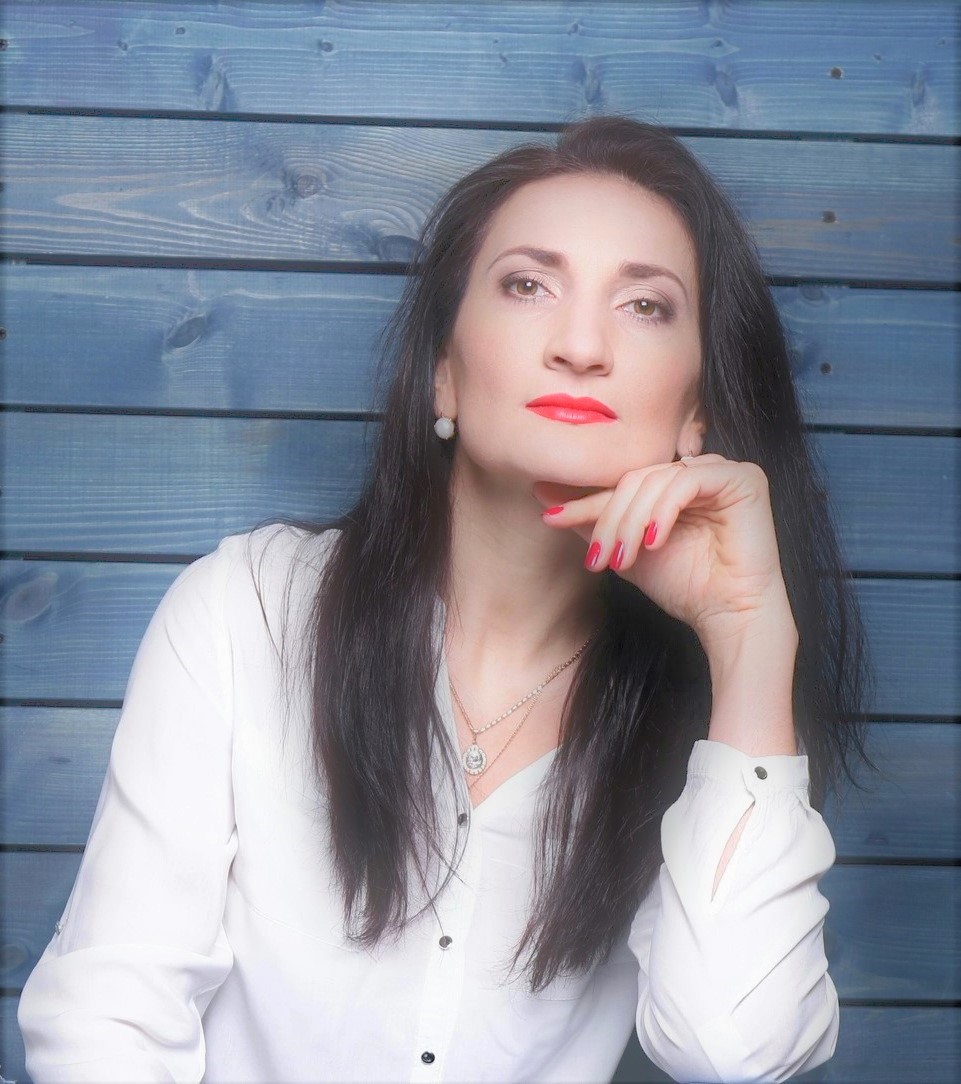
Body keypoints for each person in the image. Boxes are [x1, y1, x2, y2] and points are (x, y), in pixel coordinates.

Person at [19, 116, 868, 1083]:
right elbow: (106, 1021)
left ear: (696, 412)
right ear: (443, 372)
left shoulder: (707, 715)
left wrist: (748, 641)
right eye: (527, 285)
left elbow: (733, 1049)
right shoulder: (246, 611)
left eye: (643, 305)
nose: (580, 344)